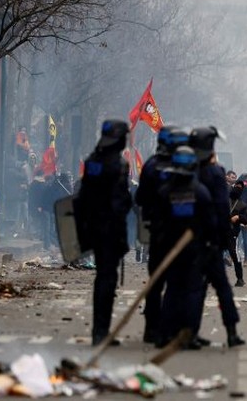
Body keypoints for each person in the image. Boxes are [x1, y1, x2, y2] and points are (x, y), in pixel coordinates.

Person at [75, 120, 132, 346]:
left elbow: (82, 197)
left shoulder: (91, 162)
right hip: (110, 229)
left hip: (92, 227)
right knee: (108, 278)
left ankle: (99, 330)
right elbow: (120, 202)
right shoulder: (118, 165)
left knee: (102, 276)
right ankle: (101, 332)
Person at [190, 126, 245, 348]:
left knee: (195, 288)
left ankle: (190, 332)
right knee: (222, 287)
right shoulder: (215, 173)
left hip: (190, 238)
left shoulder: (187, 170)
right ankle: (231, 333)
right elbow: (223, 208)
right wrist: (224, 238)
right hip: (211, 239)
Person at [154, 147, 215, 348]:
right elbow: (209, 223)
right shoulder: (200, 192)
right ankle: (186, 335)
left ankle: (164, 334)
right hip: (193, 250)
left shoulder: (164, 191)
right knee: (191, 292)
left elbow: (158, 221)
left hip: (170, 249)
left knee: (172, 290)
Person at [135, 126, 189, 343]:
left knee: (155, 281)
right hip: (179, 233)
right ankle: (170, 328)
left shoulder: (150, 166)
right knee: (177, 282)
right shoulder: (184, 167)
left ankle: (151, 329)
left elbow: (139, 199)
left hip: (157, 232)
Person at [228, 180, 247, 287]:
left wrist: (238, 217)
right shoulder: (224, 200)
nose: (237, 188)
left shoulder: (242, 205)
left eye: (240, 187)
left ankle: (240, 278)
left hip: (232, 233)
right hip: (220, 231)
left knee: (235, 256)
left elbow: (246, 219)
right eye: (236, 186)